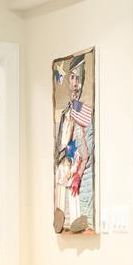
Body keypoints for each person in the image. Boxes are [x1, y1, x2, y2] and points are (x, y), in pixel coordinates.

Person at [53, 59, 93, 231]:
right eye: (72, 78)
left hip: (75, 157)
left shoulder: (82, 111)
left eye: (78, 79)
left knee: (73, 190)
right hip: (65, 158)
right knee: (62, 184)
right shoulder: (66, 111)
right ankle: (61, 217)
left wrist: (80, 169)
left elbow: (85, 143)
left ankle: (78, 218)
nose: (75, 83)